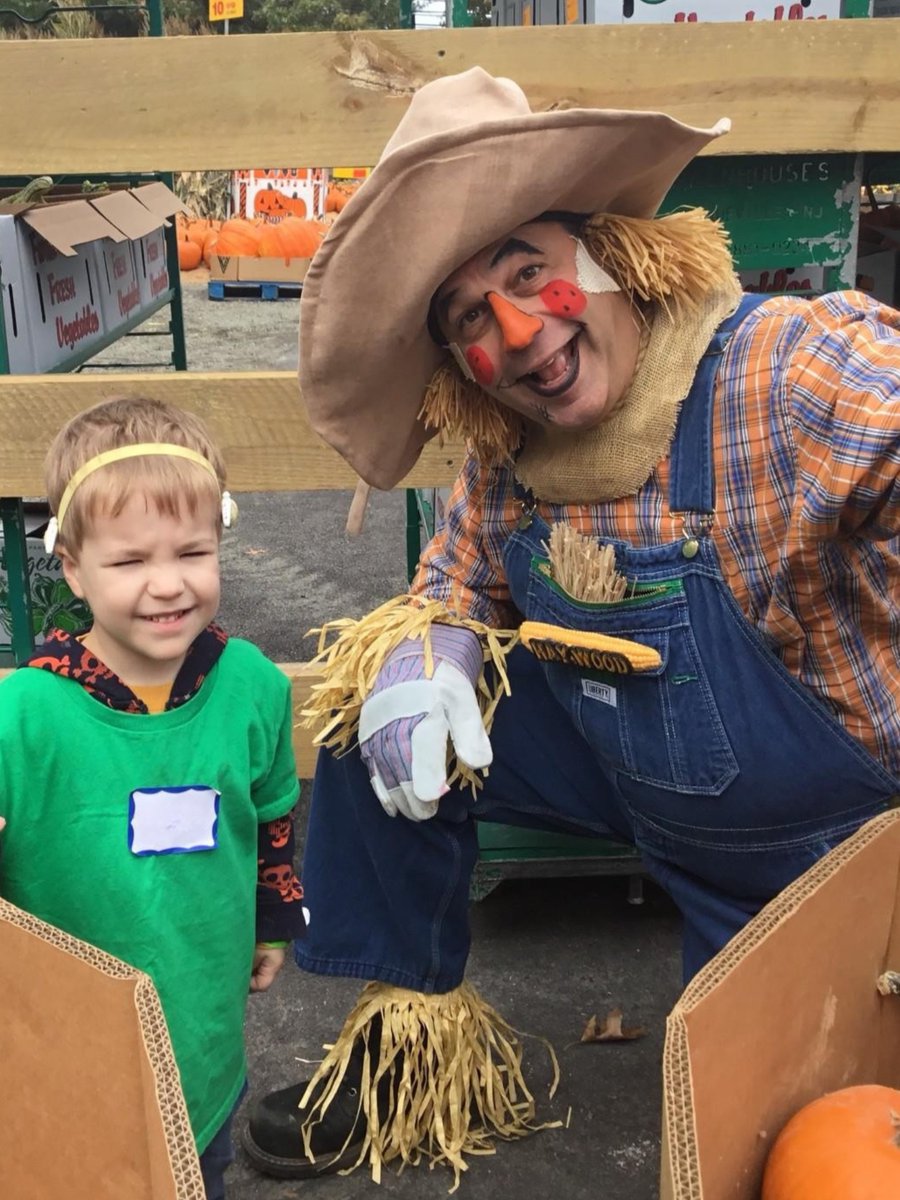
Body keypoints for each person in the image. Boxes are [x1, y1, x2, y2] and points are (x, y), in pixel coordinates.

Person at [243, 68, 900, 1186]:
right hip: (638, 783)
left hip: (842, 856)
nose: (514, 334)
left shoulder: (785, 370)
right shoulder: (510, 457)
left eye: (528, 274)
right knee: (371, 715)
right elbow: (446, 586)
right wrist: (429, 666)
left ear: (613, 256)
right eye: (466, 322)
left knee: (811, 1151)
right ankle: (413, 1053)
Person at [0, 396, 305, 1199]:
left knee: (195, 1168)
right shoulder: (23, 718)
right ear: (71, 566)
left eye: (193, 552)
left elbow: (272, 809)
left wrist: (273, 917)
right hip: (63, 1056)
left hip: (202, 1029)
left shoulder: (251, 688)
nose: (167, 585)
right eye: (129, 561)